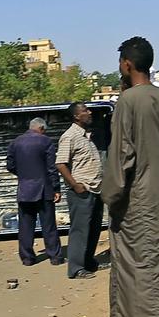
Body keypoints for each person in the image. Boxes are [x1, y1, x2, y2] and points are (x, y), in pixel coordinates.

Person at [100, 37, 159, 317]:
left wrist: (110, 195)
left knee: (141, 268)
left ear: (126, 64)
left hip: (138, 200)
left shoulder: (128, 101)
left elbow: (121, 156)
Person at [4, 116, 64, 266]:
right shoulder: (46, 141)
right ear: (41, 128)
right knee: (49, 225)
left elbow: (10, 165)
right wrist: (56, 188)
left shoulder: (15, 142)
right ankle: (55, 257)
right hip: (44, 190)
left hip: (24, 190)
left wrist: (23, 175)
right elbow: (52, 168)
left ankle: (27, 258)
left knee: (25, 226)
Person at [55, 102, 104, 278]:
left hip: (95, 189)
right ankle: (76, 269)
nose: (89, 112)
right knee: (80, 230)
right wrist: (75, 184)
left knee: (93, 229)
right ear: (76, 116)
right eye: (85, 110)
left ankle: (88, 262)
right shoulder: (69, 136)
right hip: (81, 191)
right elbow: (60, 163)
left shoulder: (86, 136)